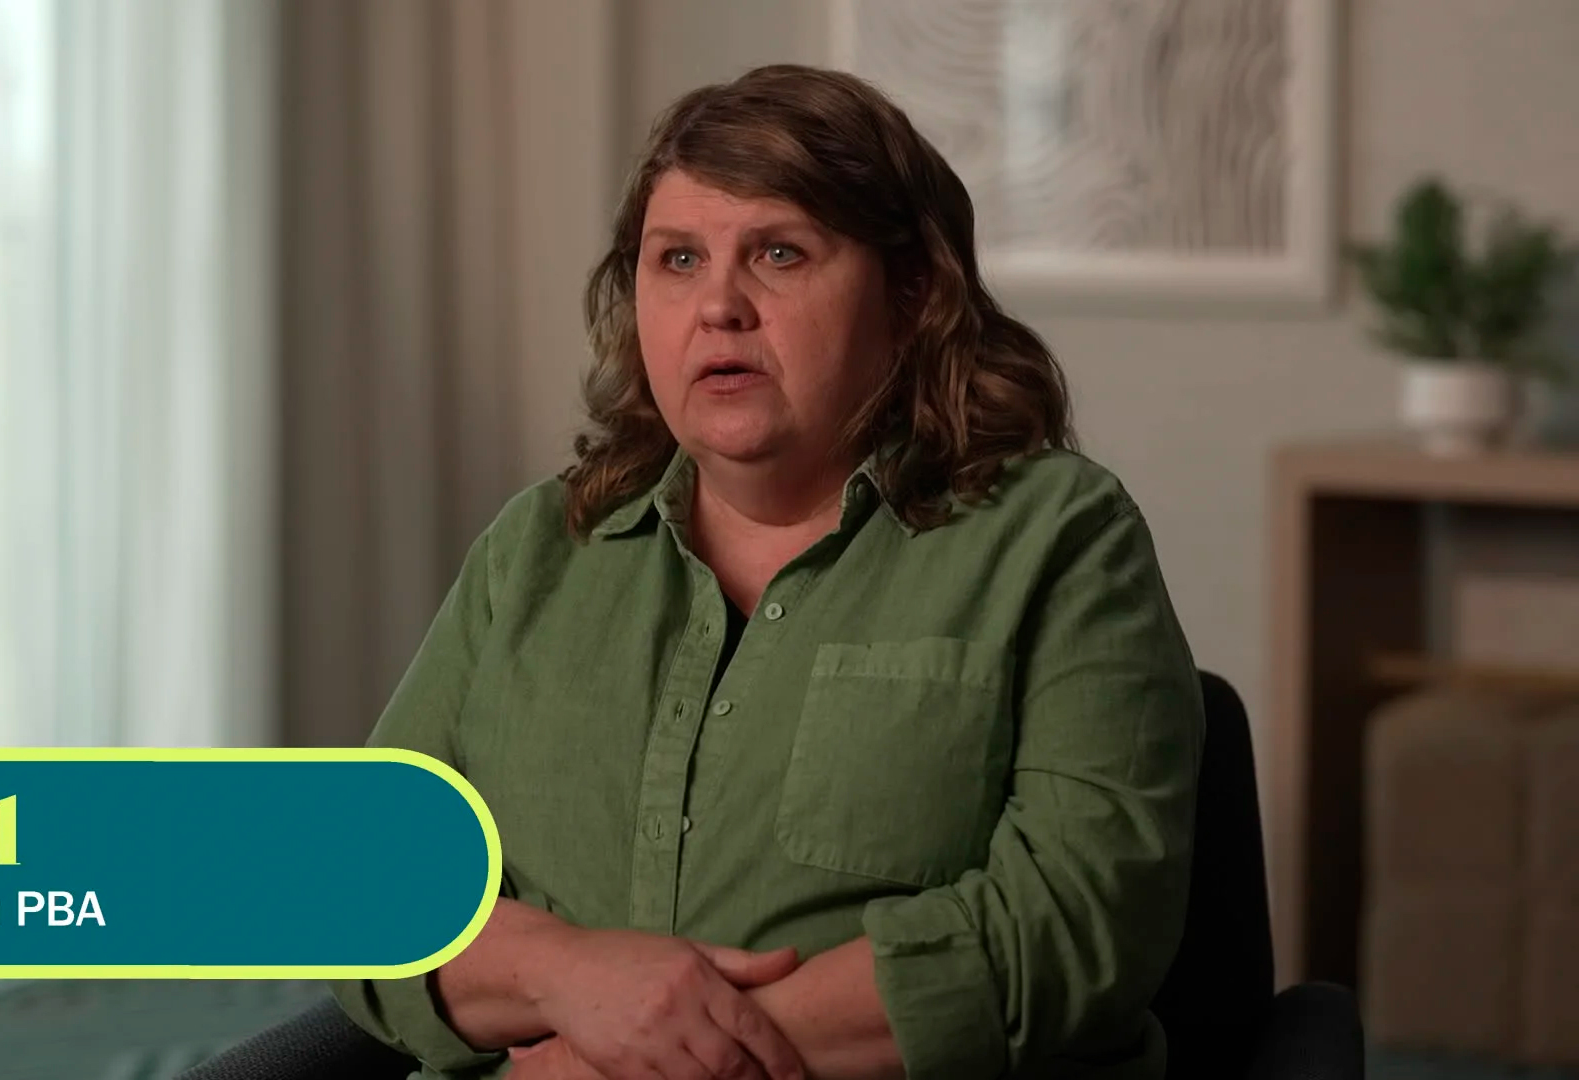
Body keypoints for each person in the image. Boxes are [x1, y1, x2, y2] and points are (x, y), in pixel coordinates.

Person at [330, 63, 1204, 1080]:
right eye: (679, 259)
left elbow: (1076, 925)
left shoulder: (1058, 536)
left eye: (779, 254)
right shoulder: (536, 549)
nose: (719, 306)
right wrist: (567, 975)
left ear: (913, 293)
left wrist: (630, 1065)